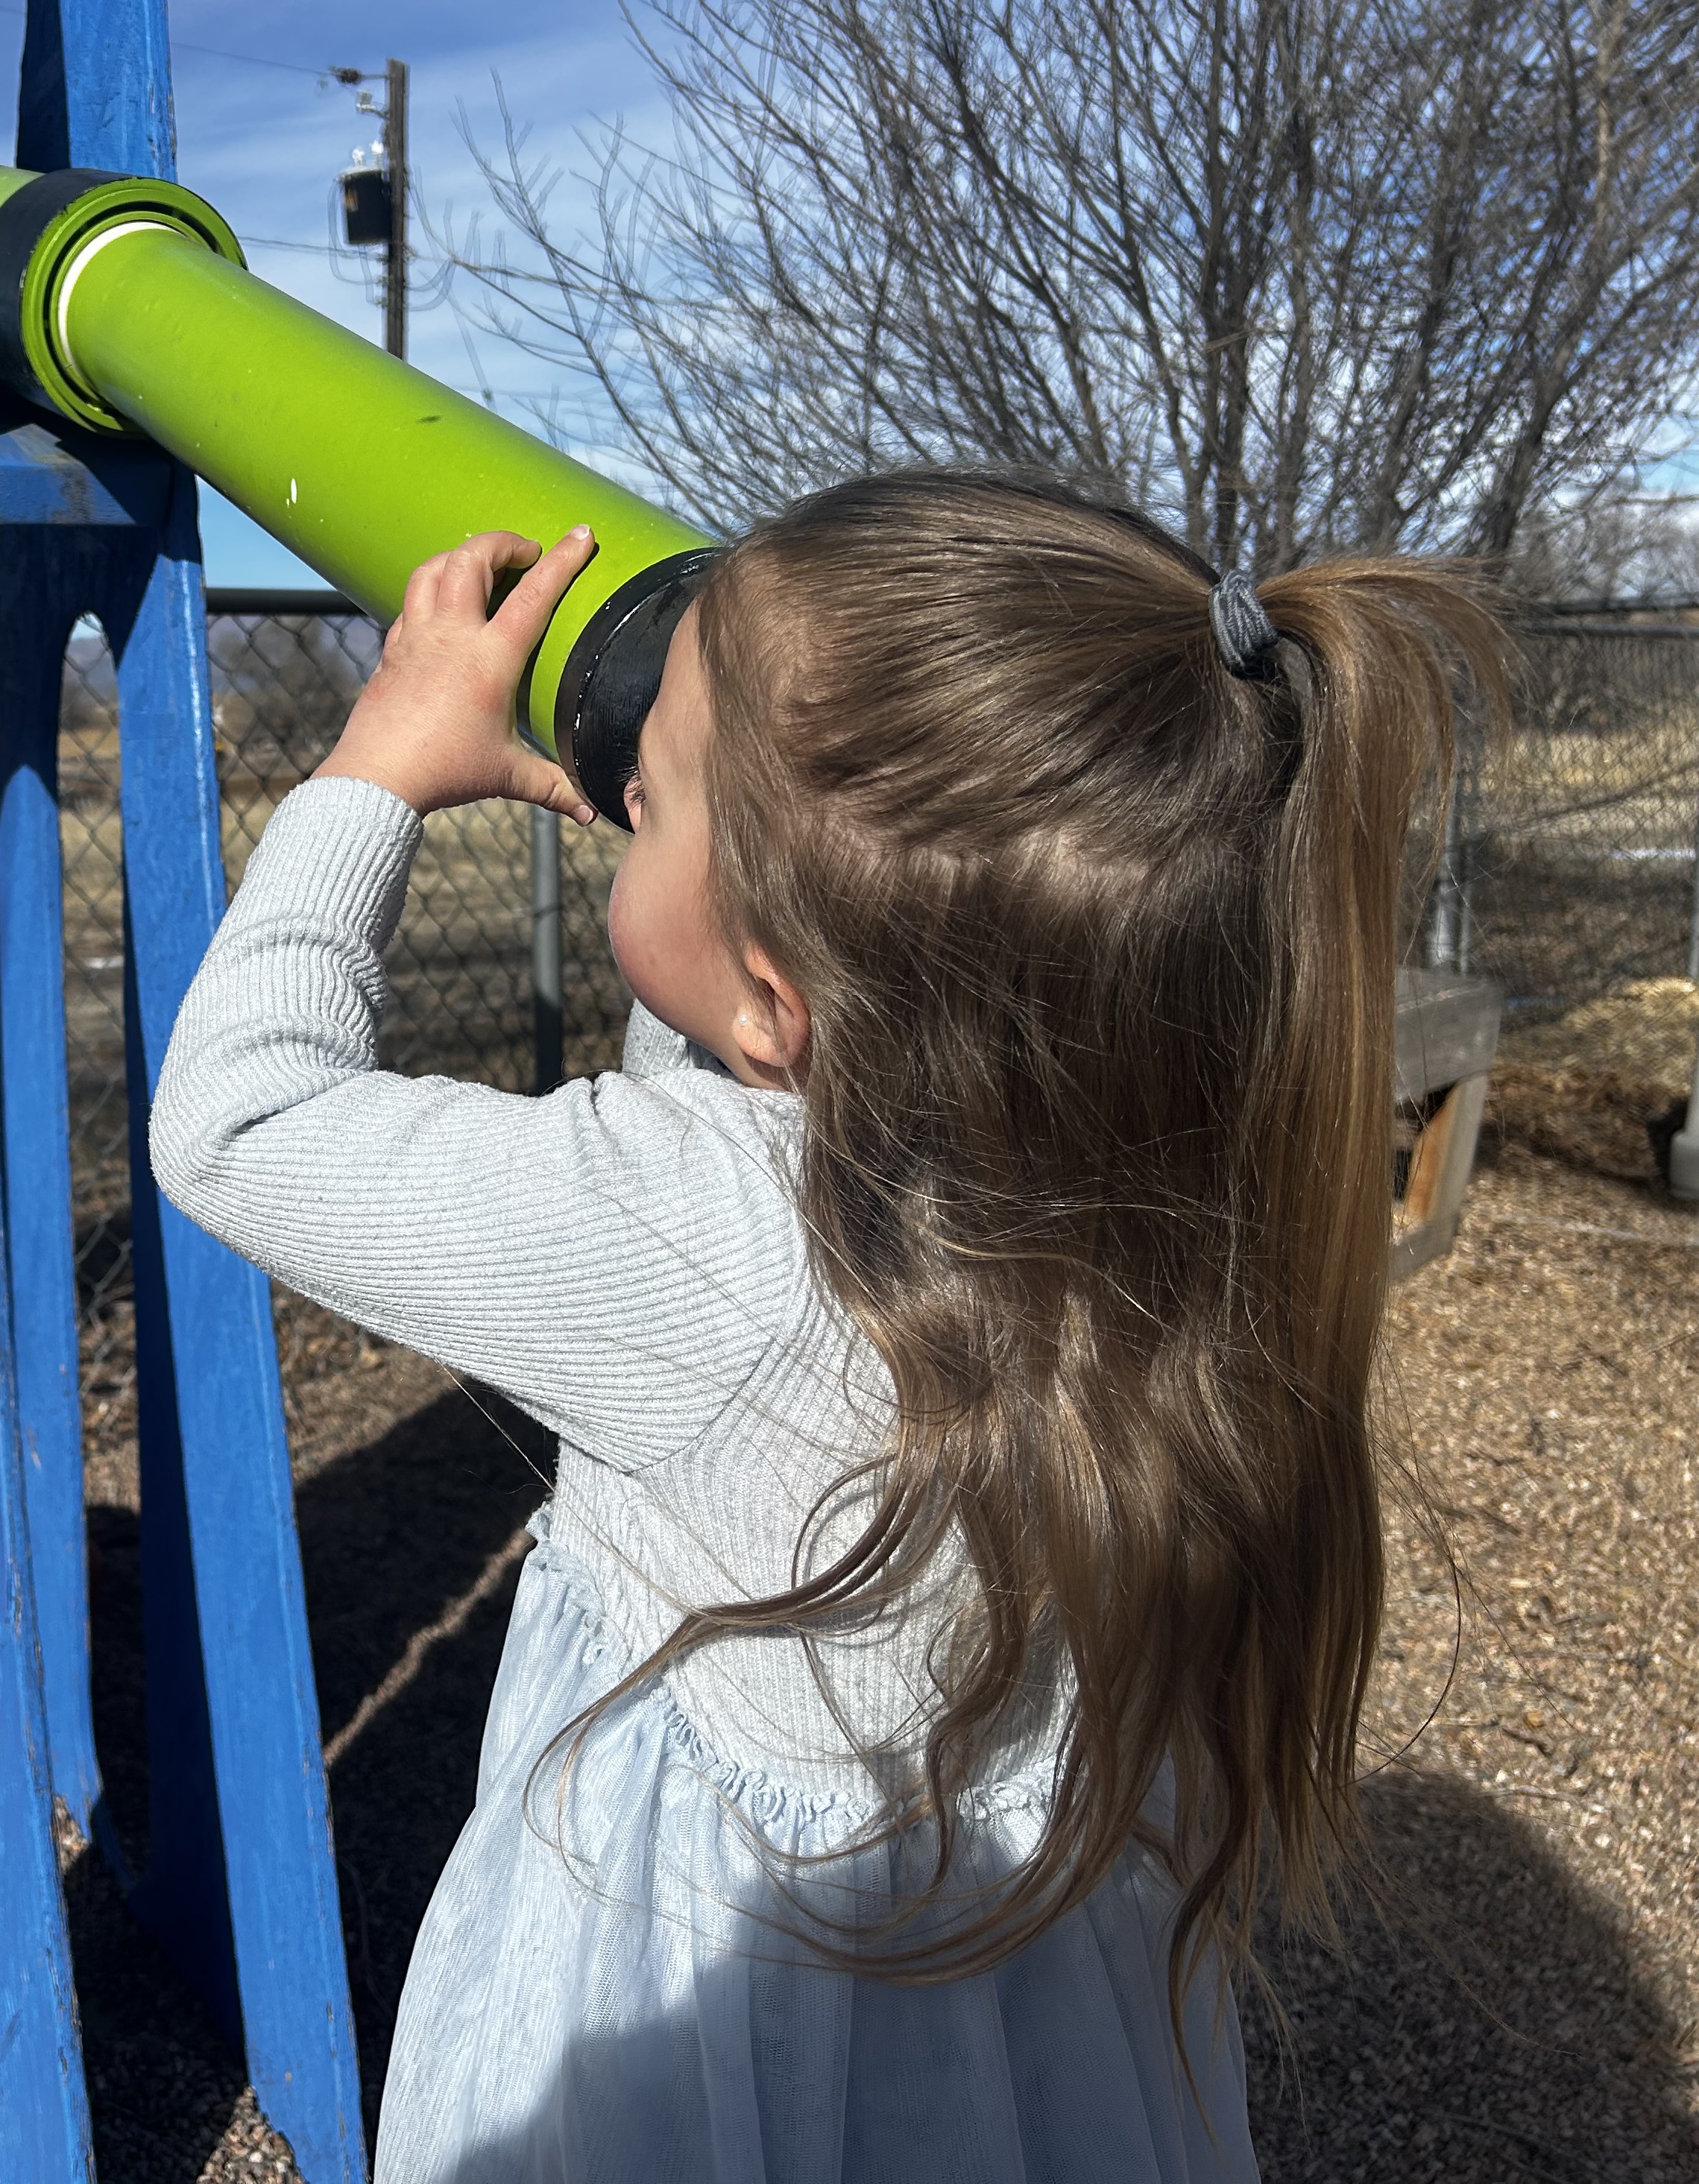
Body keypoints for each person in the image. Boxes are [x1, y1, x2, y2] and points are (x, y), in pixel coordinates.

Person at [148, 468, 1504, 2183]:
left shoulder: (687, 1239)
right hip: (1016, 2023)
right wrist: (704, 850)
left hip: (714, 2035)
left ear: (778, 1002)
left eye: (669, 782)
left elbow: (238, 1123)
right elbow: (772, 1057)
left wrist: (380, 773)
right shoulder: (1156, 1177)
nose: (633, 768)